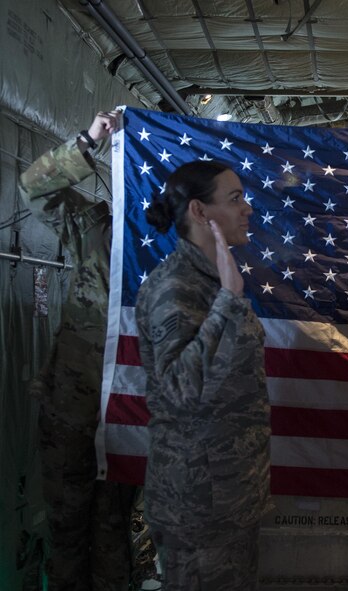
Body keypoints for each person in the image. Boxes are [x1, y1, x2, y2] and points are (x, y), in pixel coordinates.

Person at [20, 111, 147, 590]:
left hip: (127, 412)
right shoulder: (95, 230)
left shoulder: (170, 246)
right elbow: (35, 189)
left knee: (114, 537)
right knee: (67, 534)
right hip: (72, 409)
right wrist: (89, 140)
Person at [135, 160, 272, 590]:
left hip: (227, 500)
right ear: (199, 211)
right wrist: (229, 302)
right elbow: (179, 389)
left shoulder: (211, 279)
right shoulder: (176, 287)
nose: (247, 208)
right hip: (196, 507)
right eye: (234, 200)